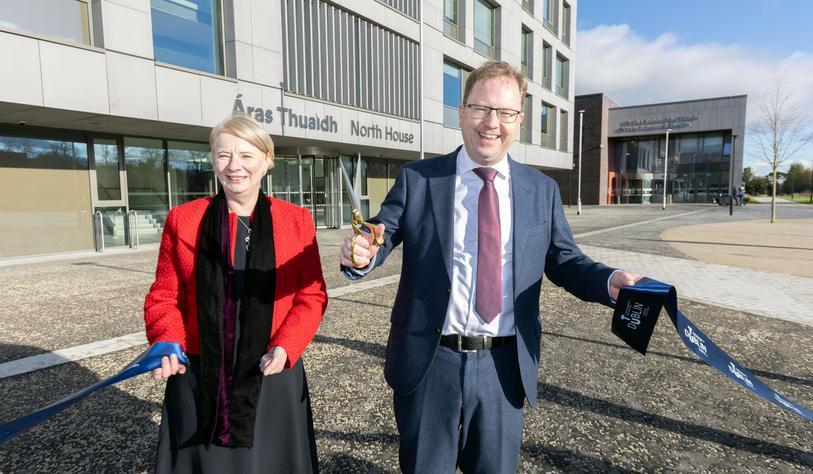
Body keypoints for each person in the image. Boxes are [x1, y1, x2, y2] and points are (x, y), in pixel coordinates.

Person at [340, 61, 639, 473]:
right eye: (481, 109)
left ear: (519, 120)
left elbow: (565, 260)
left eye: (505, 112)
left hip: (503, 367)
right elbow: (382, 232)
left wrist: (609, 280)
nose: (491, 123)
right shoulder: (419, 178)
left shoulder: (542, 191)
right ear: (461, 113)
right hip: (430, 363)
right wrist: (363, 253)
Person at [144, 113, 327, 473]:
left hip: (271, 366)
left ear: (267, 161)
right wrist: (167, 340)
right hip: (201, 369)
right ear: (213, 161)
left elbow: (312, 295)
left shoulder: (296, 220)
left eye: (246, 155)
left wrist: (287, 345)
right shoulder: (184, 219)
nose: (234, 166)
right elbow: (164, 294)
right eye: (224, 155)